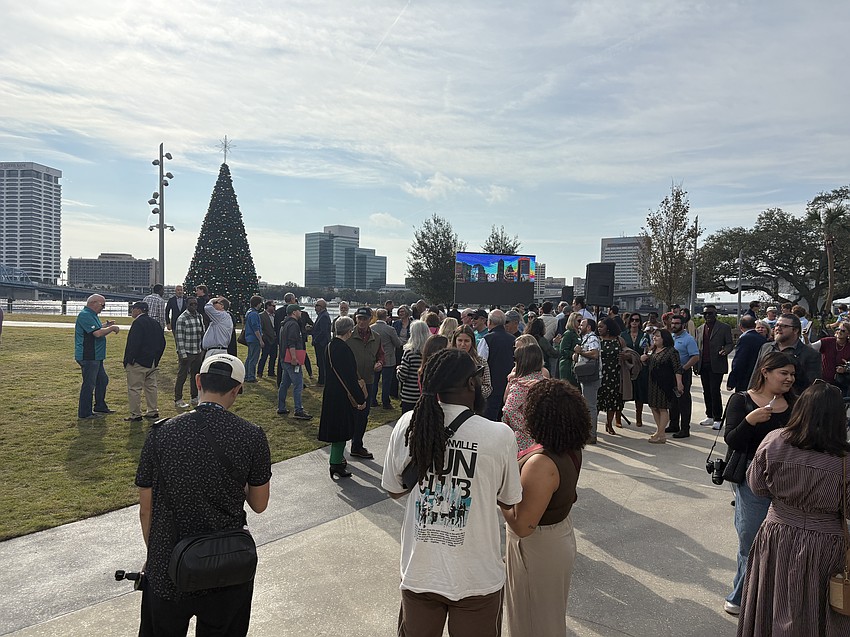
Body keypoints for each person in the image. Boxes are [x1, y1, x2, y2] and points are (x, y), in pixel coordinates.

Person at [381, 349, 522, 637]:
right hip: (477, 575)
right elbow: (508, 499)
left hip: (421, 570)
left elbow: (394, 490)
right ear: (471, 384)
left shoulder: (409, 424)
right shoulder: (499, 435)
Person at [135, 354, 271, 636]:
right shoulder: (251, 435)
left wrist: (154, 553)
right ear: (237, 389)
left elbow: (145, 509)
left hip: (169, 561)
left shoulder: (161, 433)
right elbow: (259, 504)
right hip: (226, 564)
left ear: (198, 381)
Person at [736, 382, 850, 636]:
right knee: (818, 607)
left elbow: (757, 486)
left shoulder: (775, 440)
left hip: (778, 532)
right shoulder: (844, 459)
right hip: (826, 542)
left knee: (771, 600)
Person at [502, 379, 592, 637]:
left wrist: (501, 496)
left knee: (530, 623)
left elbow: (522, 525)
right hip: (557, 537)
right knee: (546, 619)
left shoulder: (541, 464)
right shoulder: (569, 446)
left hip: (537, 547)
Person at [722, 351, 797, 617]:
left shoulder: (796, 404)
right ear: (765, 372)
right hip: (751, 481)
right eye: (783, 373)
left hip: (789, 483)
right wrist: (749, 421)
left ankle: (771, 597)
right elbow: (732, 440)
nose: (789, 379)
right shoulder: (741, 400)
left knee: (783, 543)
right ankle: (741, 596)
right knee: (751, 540)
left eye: (792, 374)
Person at [318, 317, 367, 479]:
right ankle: (336, 463)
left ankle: (337, 461)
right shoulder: (344, 349)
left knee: (336, 430)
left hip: (331, 393)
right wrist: (360, 398)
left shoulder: (330, 346)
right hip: (342, 396)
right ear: (349, 331)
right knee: (341, 431)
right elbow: (349, 377)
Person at [346, 307, 385, 459]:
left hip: (368, 381)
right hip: (350, 381)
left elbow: (381, 355)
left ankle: (357, 445)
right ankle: (341, 447)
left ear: (370, 320)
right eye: (359, 318)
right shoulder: (348, 336)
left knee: (363, 414)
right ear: (356, 318)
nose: (361, 321)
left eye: (365, 319)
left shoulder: (376, 337)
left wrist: (380, 363)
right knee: (347, 414)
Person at [749, 313, 821, 393]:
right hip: (763, 401)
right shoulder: (766, 348)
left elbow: (811, 388)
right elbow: (756, 376)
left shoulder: (810, 355)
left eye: (784, 326)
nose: (778, 329)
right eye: (777, 325)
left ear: (795, 330)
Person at [74, 294, 120, 419]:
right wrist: (111, 328)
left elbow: (97, 329)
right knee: (89, 384)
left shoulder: (92, 315)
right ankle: (85, 413)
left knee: (102, 380)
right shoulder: (85, 315)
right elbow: (97, 334)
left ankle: (100, 406)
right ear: (93, 303)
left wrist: (105, 325)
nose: (103, 308)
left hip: (96, 356)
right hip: (88, 355)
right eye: (102, 305)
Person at [123, 301, 167, 422]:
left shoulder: (138, 323)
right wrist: (156, 358)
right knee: (151, 386)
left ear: (139, 310)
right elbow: (162, 342)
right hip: (151, 361)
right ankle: (152, 410)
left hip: (138, 361)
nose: (132, 311)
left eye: (133, 309)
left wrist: (129, 359)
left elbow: (133, 343)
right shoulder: (155, 323)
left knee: (134, 388)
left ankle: (135, 414)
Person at [641, 329, 683, 444]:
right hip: (653, 382)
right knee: (654, 406)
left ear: (665, 338)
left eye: (658, 336)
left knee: (662, 407)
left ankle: (660, 433)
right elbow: (651, 364)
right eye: (654, 336)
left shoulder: (671, 351)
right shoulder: (653, 350)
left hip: (665, 384)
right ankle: (660, 431)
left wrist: (679, 383)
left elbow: (677, 368)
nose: (655, 338)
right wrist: (644, 360)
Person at [502, 342, 546, 452]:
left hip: (524, 442)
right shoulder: (546, 382)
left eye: (515, 358)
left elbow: (508, 410)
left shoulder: (521, 385)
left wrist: (527, 428)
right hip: (545, 438)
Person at [696, 305, 734, 430]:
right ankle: (710, 415)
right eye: (705, 314)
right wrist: (696, 365)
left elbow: (730, 343)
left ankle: (718, 418)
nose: (707, 316)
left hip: (717, 364)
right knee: (706, 391)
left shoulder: (724, 328)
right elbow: (698, 347)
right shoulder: (700, 329)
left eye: (710, 313)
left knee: (714, 391)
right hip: (703, 364)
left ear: (715, 314)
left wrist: (725, 350)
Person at [478, 309, 516, 421]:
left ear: (489, 322)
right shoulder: (514, 340)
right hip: (509, 388)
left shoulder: (486, 339)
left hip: (491, 389)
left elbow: (481, 364)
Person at [276, 303, 312, 420]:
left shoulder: (285, 324)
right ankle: (298, 410)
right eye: (299, 311)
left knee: (284, 384)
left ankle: (281, 407)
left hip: (284, 358)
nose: (301, 313)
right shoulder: (293, 325)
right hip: (292, 359)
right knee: (298, 384)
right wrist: (294, 358)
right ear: (294, 312)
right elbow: (291, 342)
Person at [668, 314, 700, 438]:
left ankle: (685, 429)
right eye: (673, 323)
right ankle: (673, 424)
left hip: (683, 373)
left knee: (683, 402)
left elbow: (695, 357)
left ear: (683, 325)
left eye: (676, 323)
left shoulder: (688, 339)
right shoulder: (671, 337)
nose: (674, 325)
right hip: (671, 373)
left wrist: (683, 368)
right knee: (672, 401)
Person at [174, 297, 205, 409]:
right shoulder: (182, 318)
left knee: (195, 376)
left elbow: (203, 332)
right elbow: (179, 338)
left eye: (195, 304)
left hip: (197, 351)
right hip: (186, 352)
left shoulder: (199, 316)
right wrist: (183, 354)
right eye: (191, 304)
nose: (193, 306)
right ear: (186, 304)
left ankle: (194, 397)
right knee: (182, 376)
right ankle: (178, 399)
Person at [574, 318, 601, 444]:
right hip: (586, 376)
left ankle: (592, 435)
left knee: (590, 406)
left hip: (591, 377)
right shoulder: (586, 338)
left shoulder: (592, 338)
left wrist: (581, 352)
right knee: (587, 405)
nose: (580, 326)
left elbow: (595, 354)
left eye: (582, 324)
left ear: (589, 327)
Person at [596, 317, 625, 435]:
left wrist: (625, 357)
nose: (599, 329)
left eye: (601, 326)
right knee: (597, 401)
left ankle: (609, 423)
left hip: (614, 374)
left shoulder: (618, 340)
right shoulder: (596, 340)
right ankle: (593, 426)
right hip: (599, 374)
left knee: (612, 401)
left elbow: (627, 352)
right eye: (598, 327)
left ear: (608, 328)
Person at [621, 312, 649, 427]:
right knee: (622, 392)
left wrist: (646, 355)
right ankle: (618, 417)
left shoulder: (644, 335)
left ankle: (639, 417)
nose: (634, 322)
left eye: (637, 320)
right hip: (626, 367)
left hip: (640, 367)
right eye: (632, 320)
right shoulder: (623, 334)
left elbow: (648, 349)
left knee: (639, 394)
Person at [370, 309, 402, 409]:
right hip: (388, 358)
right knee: (386, 382)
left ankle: (372, 400)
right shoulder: (390, 329)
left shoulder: (371, 328)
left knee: (374, 381)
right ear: (386, 316)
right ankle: (385, 402)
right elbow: (397, 344)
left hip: (374, 358)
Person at [451, 325, 492, 400]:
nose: (463, 344)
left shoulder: (480, 361)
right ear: (455, 341)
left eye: (466, 341)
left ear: (472, 342)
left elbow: (488, 387)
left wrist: (473, 390)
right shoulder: (448, 360)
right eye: (460, 340)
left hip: (473, 404)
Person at [397, 320, 430, 414]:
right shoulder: (430, 352)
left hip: (409, 395)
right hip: (424, 394)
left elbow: (402, 376)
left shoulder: (409, 352)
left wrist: (398, 370)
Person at [727, 316, 767, 393]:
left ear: (740, 326)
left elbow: (739, 361)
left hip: (745, 378)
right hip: (758, 376)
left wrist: (732, 381)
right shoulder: (762, 339)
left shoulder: (744, 338)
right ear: (755, 326)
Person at [810, 321, 850, 396]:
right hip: (824, 380)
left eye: (843, 331)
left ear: (848, 334)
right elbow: (810, 348)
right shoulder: (827, 341)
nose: (839, 331)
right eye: (838, 329)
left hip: (841, 383)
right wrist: (805, 338)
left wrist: (845, 369)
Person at [242, 295, 264, 383]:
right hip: (254, 338)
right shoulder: (254, 314)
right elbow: (256, 328)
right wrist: (260, 340)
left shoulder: (249, 312)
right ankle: (251, 377)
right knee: (254, 359)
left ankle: (246, 375)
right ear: (258, 304)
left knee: (249, 358)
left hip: (249, 337)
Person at [557, 312, 582, 387]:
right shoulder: (568, 334)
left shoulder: (578, 334)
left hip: (574, 365)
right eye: (579, 321)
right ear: (573, 321)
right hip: (567, 365)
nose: (580, 323)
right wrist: (573, 354)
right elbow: (563, 350)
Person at [311, 298, 332, 387]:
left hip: (321, 344)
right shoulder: (322, 315)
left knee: (322, 362)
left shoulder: (324, 316)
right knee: (321, 362)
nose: (315, 308)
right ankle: (322, 380)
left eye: (316, 306)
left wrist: (316, 340)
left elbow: (323, 331)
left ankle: (322, 381)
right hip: (321, 343)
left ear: (321, 307)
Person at [257, 300, 277, 380]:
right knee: (264, 356)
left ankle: (271, 372)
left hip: (274, 339)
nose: (274, 307)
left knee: (274, 356)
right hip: (266, 339)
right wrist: (263, 338)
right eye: (273, 306)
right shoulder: (261, 315)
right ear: (268, 306)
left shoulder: (275, 315)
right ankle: (259, 372)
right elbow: (260, 328)